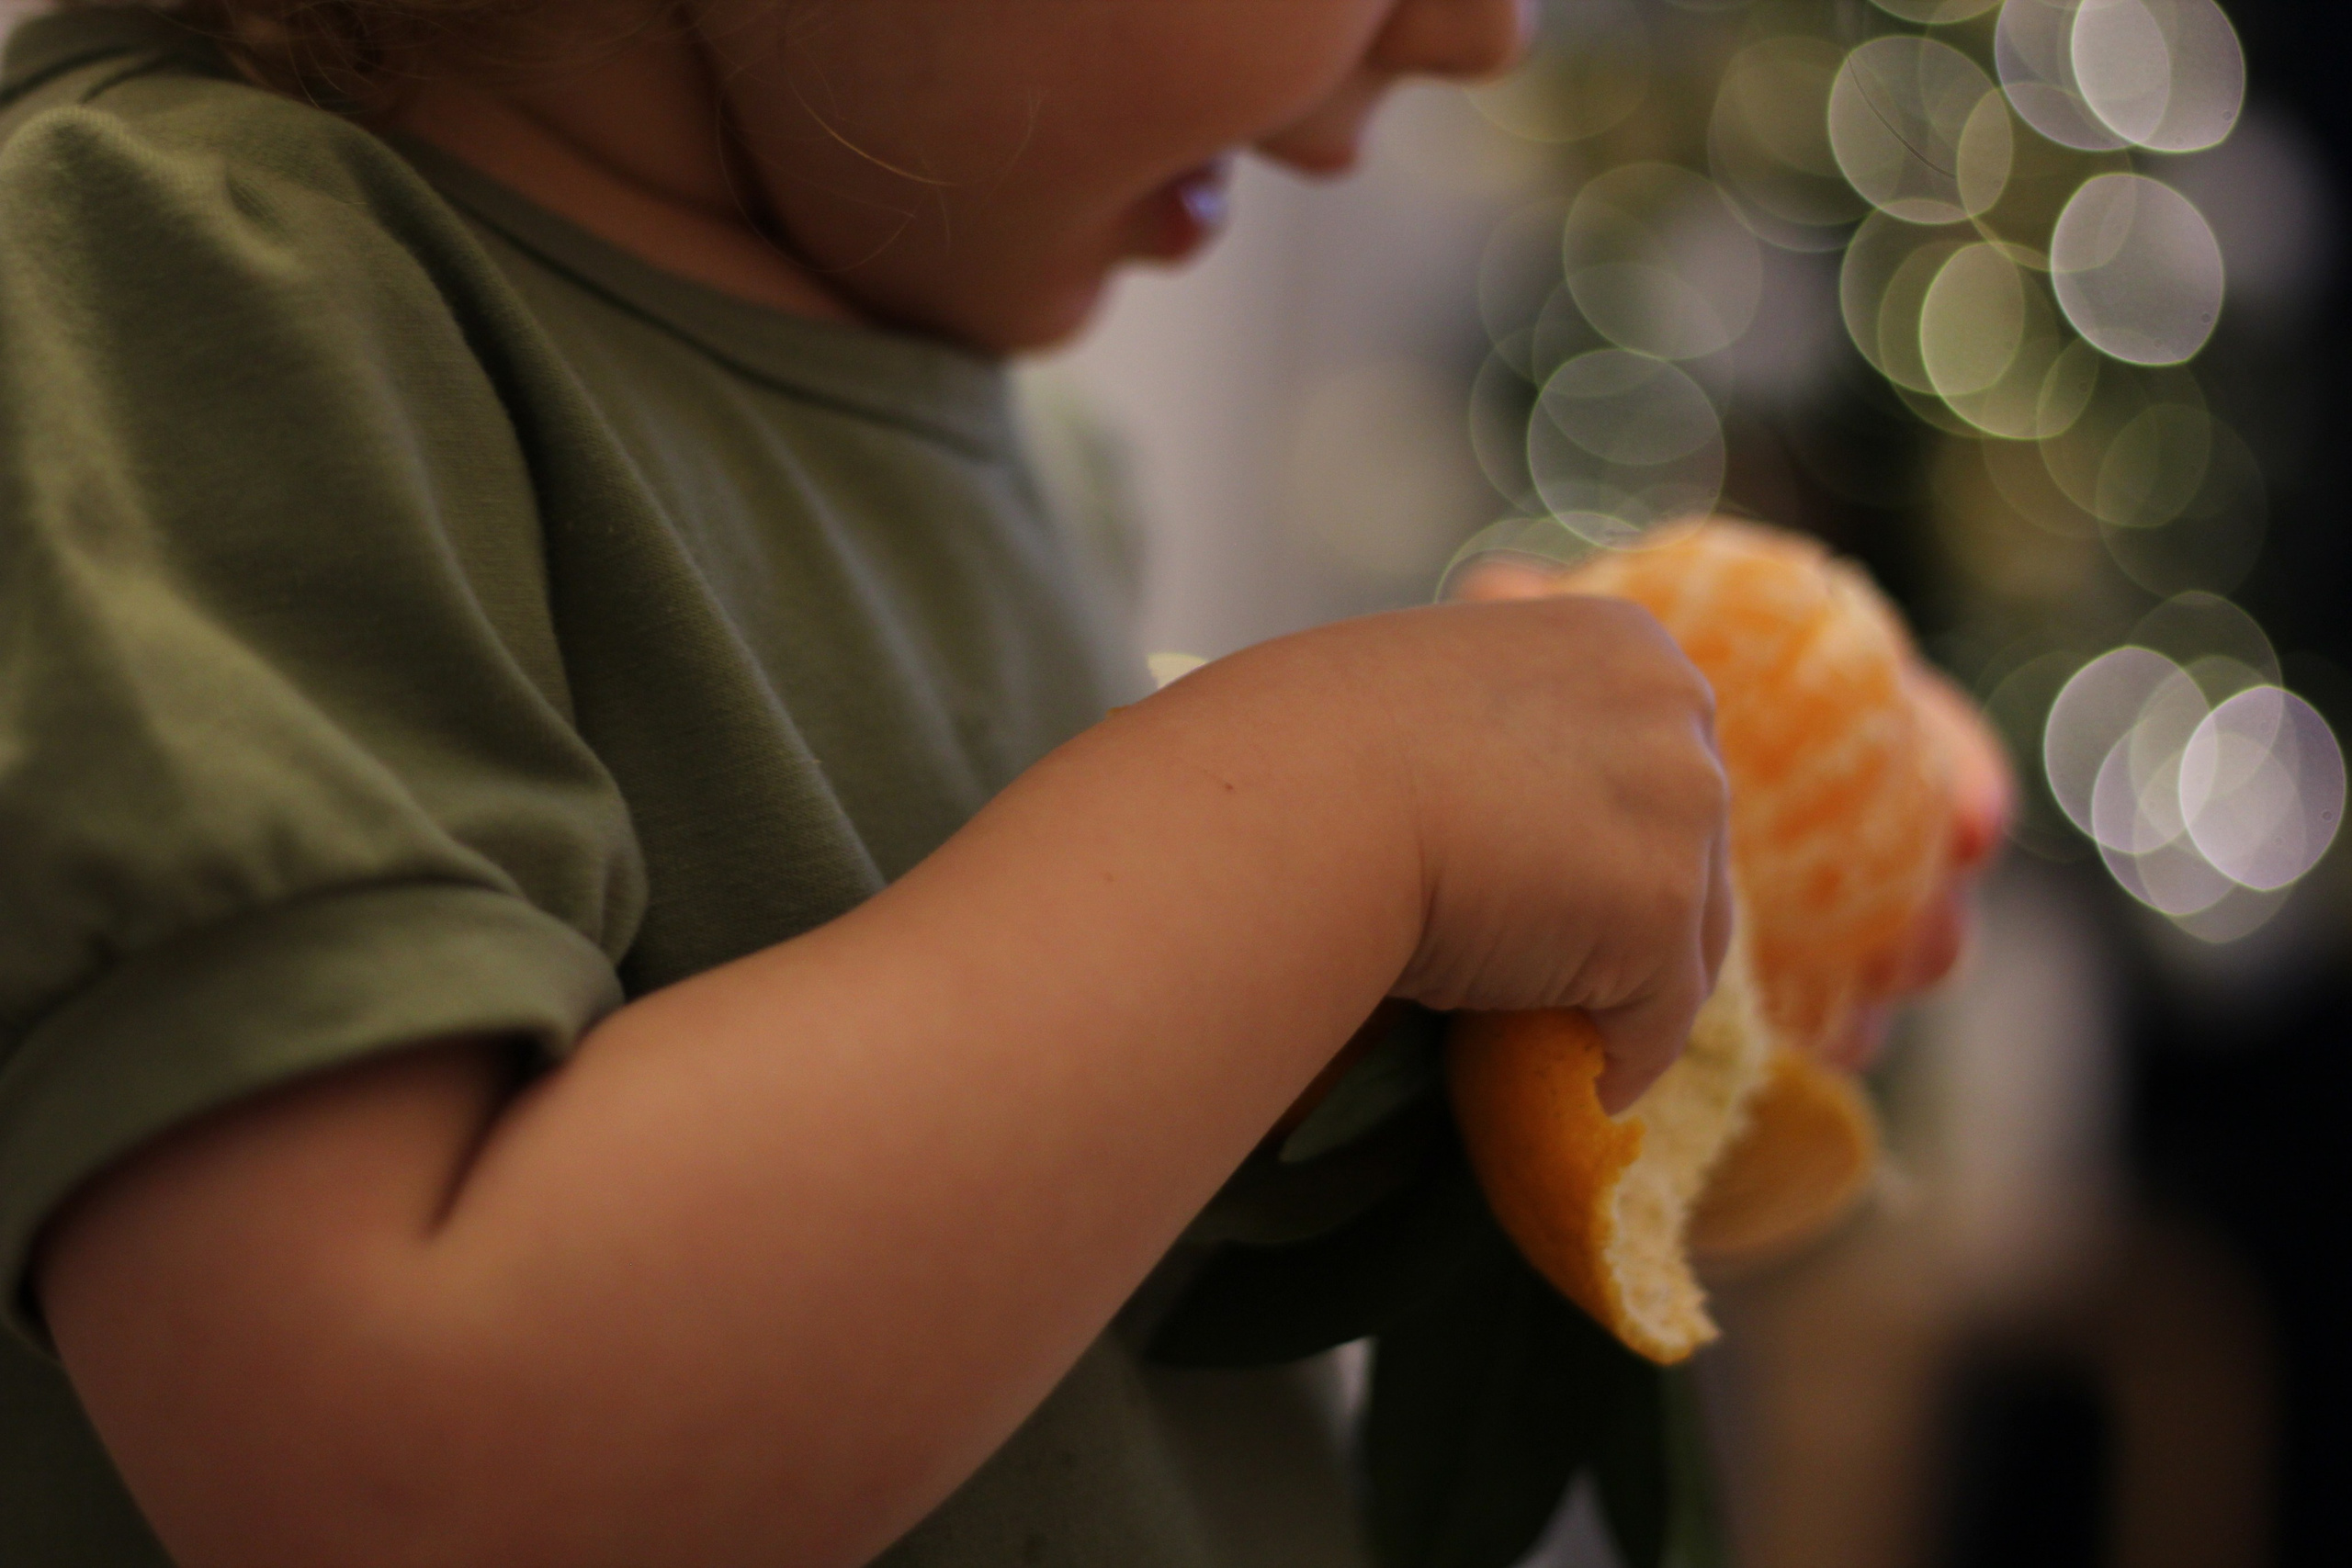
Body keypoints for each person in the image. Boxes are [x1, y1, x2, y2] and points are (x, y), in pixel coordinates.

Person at [0, 2, 1999, 1563]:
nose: (1479, 37)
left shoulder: (1021, 448)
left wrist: (1592, 931)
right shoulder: (177, 279)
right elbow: (393, 1464)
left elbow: (1041, 1257)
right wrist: (1328, 812)